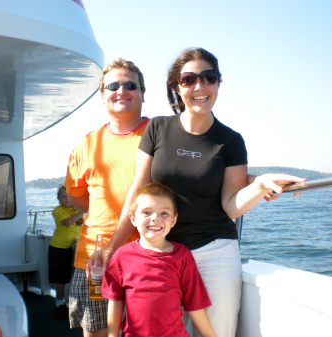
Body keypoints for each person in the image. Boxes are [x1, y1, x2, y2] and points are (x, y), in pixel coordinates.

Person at [99, 47, 306, 337]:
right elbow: (138, 189)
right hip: (162, 253)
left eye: (209, 78)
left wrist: (259, 185)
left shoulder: (230, 141)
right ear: (176, 86)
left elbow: (231, 205)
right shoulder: (157, 128)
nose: (200, 86)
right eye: (189, 79)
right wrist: (113, 246)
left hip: (215, 252)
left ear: (218, 83)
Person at [64, 58, 149, 336]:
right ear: (103, 96)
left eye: (130, 85)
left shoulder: (160, 135)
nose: (121, 90)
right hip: (95, 260)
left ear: (142, 93)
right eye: (113, 85)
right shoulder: (85, 145)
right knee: (96, 331)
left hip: (148, 256)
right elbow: (76, 196)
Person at [102, 183, 215, 337]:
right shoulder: (121, 257)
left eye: (164, 213)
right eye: (147, 212)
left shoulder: (183, 255)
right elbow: (115, 302)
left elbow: (194, 304)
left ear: (174, 221)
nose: (155, 218)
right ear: (133, 219)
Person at [49, 184, 85, 319]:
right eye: (64, 196)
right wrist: (82, 211)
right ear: (59, 199)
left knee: (69, 277)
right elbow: (68, 223)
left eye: (70, 196)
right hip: (57, 249)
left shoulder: (76, 211)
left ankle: (69, 304)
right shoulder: (58, 211)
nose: (67, 199)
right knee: (60, 279)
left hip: (70, 247)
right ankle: (59, 304)